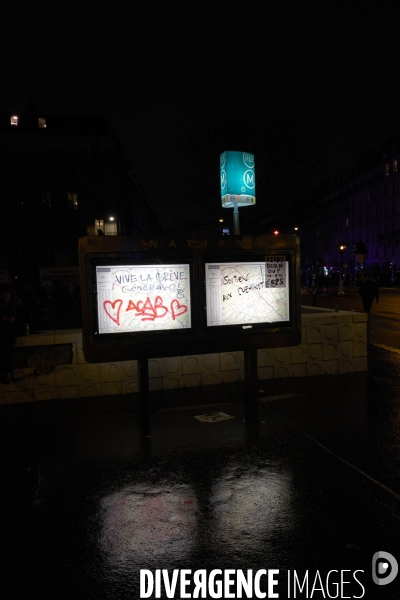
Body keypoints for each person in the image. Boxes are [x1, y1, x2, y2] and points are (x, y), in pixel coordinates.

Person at [0, 283, 19, 384]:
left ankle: (8, 372)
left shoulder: (12, 303)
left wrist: (13, 318)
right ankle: (6, 372)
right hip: (2, 331)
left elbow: (17, 313)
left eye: (8, 296)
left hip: (10, 331)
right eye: (4, 297)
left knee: (8, 353)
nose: (6, 299)